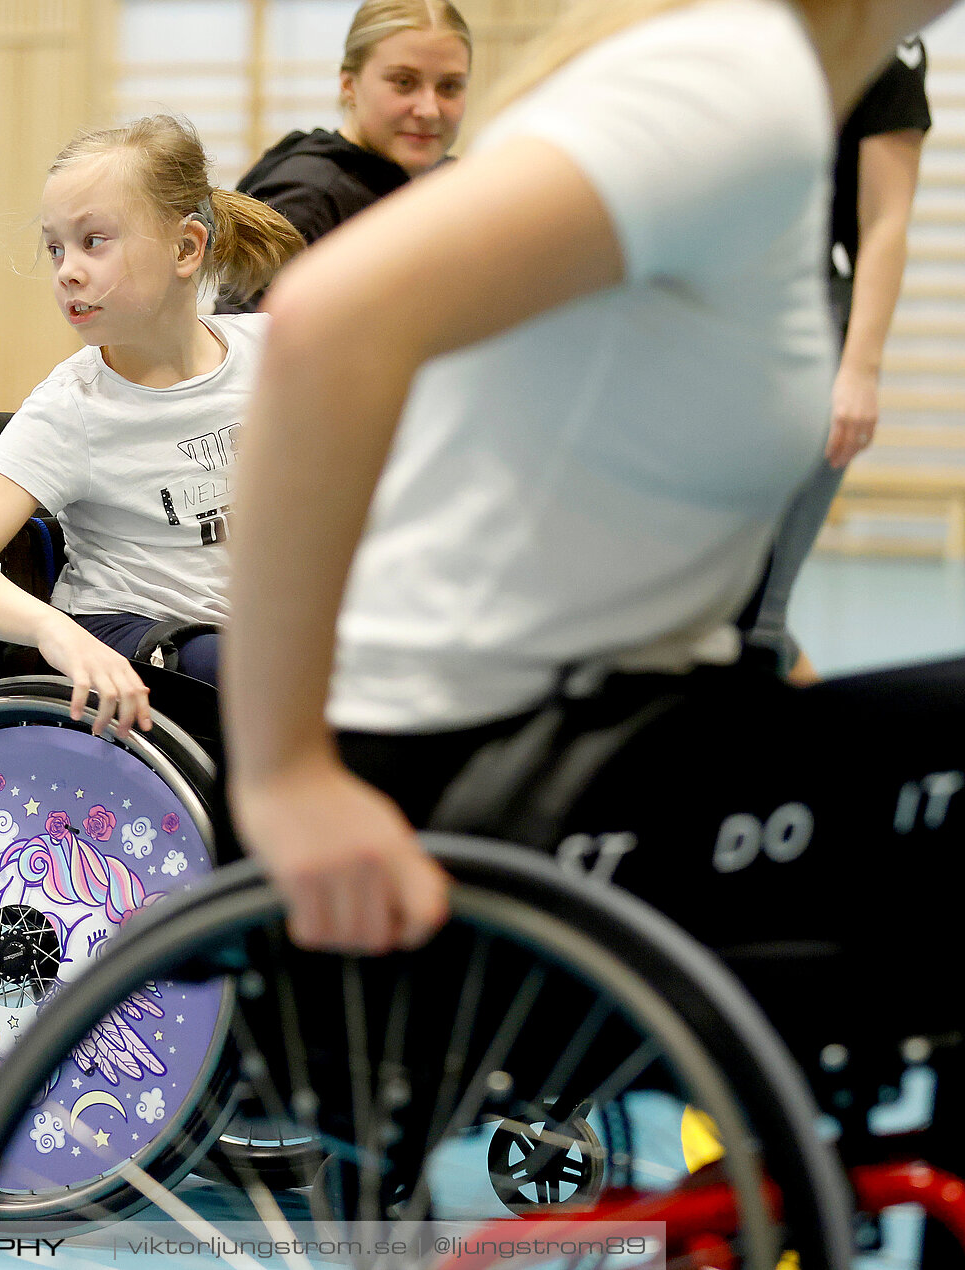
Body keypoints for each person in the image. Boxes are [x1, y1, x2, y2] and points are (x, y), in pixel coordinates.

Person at [220, 0, 963, 1224]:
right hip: (464, 790)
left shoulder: (783, 90)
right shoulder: (733, 80)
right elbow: (323, 321)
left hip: (605, 733)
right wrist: (284, 768)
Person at [0, 115, 302, 737]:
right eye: (56, 247)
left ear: (186, 248)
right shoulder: (74, 408)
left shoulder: (275, 354)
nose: (67, 270)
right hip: (140, 638)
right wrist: (56, 632)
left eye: (94, 241)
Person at [744, 39, 932, 679]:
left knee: (756, 619)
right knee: (719, 617)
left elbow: (886, 222)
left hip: (806, 317)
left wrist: (859, 373)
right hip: (711, 309)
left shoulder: (883, 39)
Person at [218, 0, 471, 312]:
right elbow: (242, 342)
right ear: (349, 84)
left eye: (449, 87)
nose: (429, 110)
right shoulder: (308, 197)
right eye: (404, 83)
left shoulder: (453, 183)